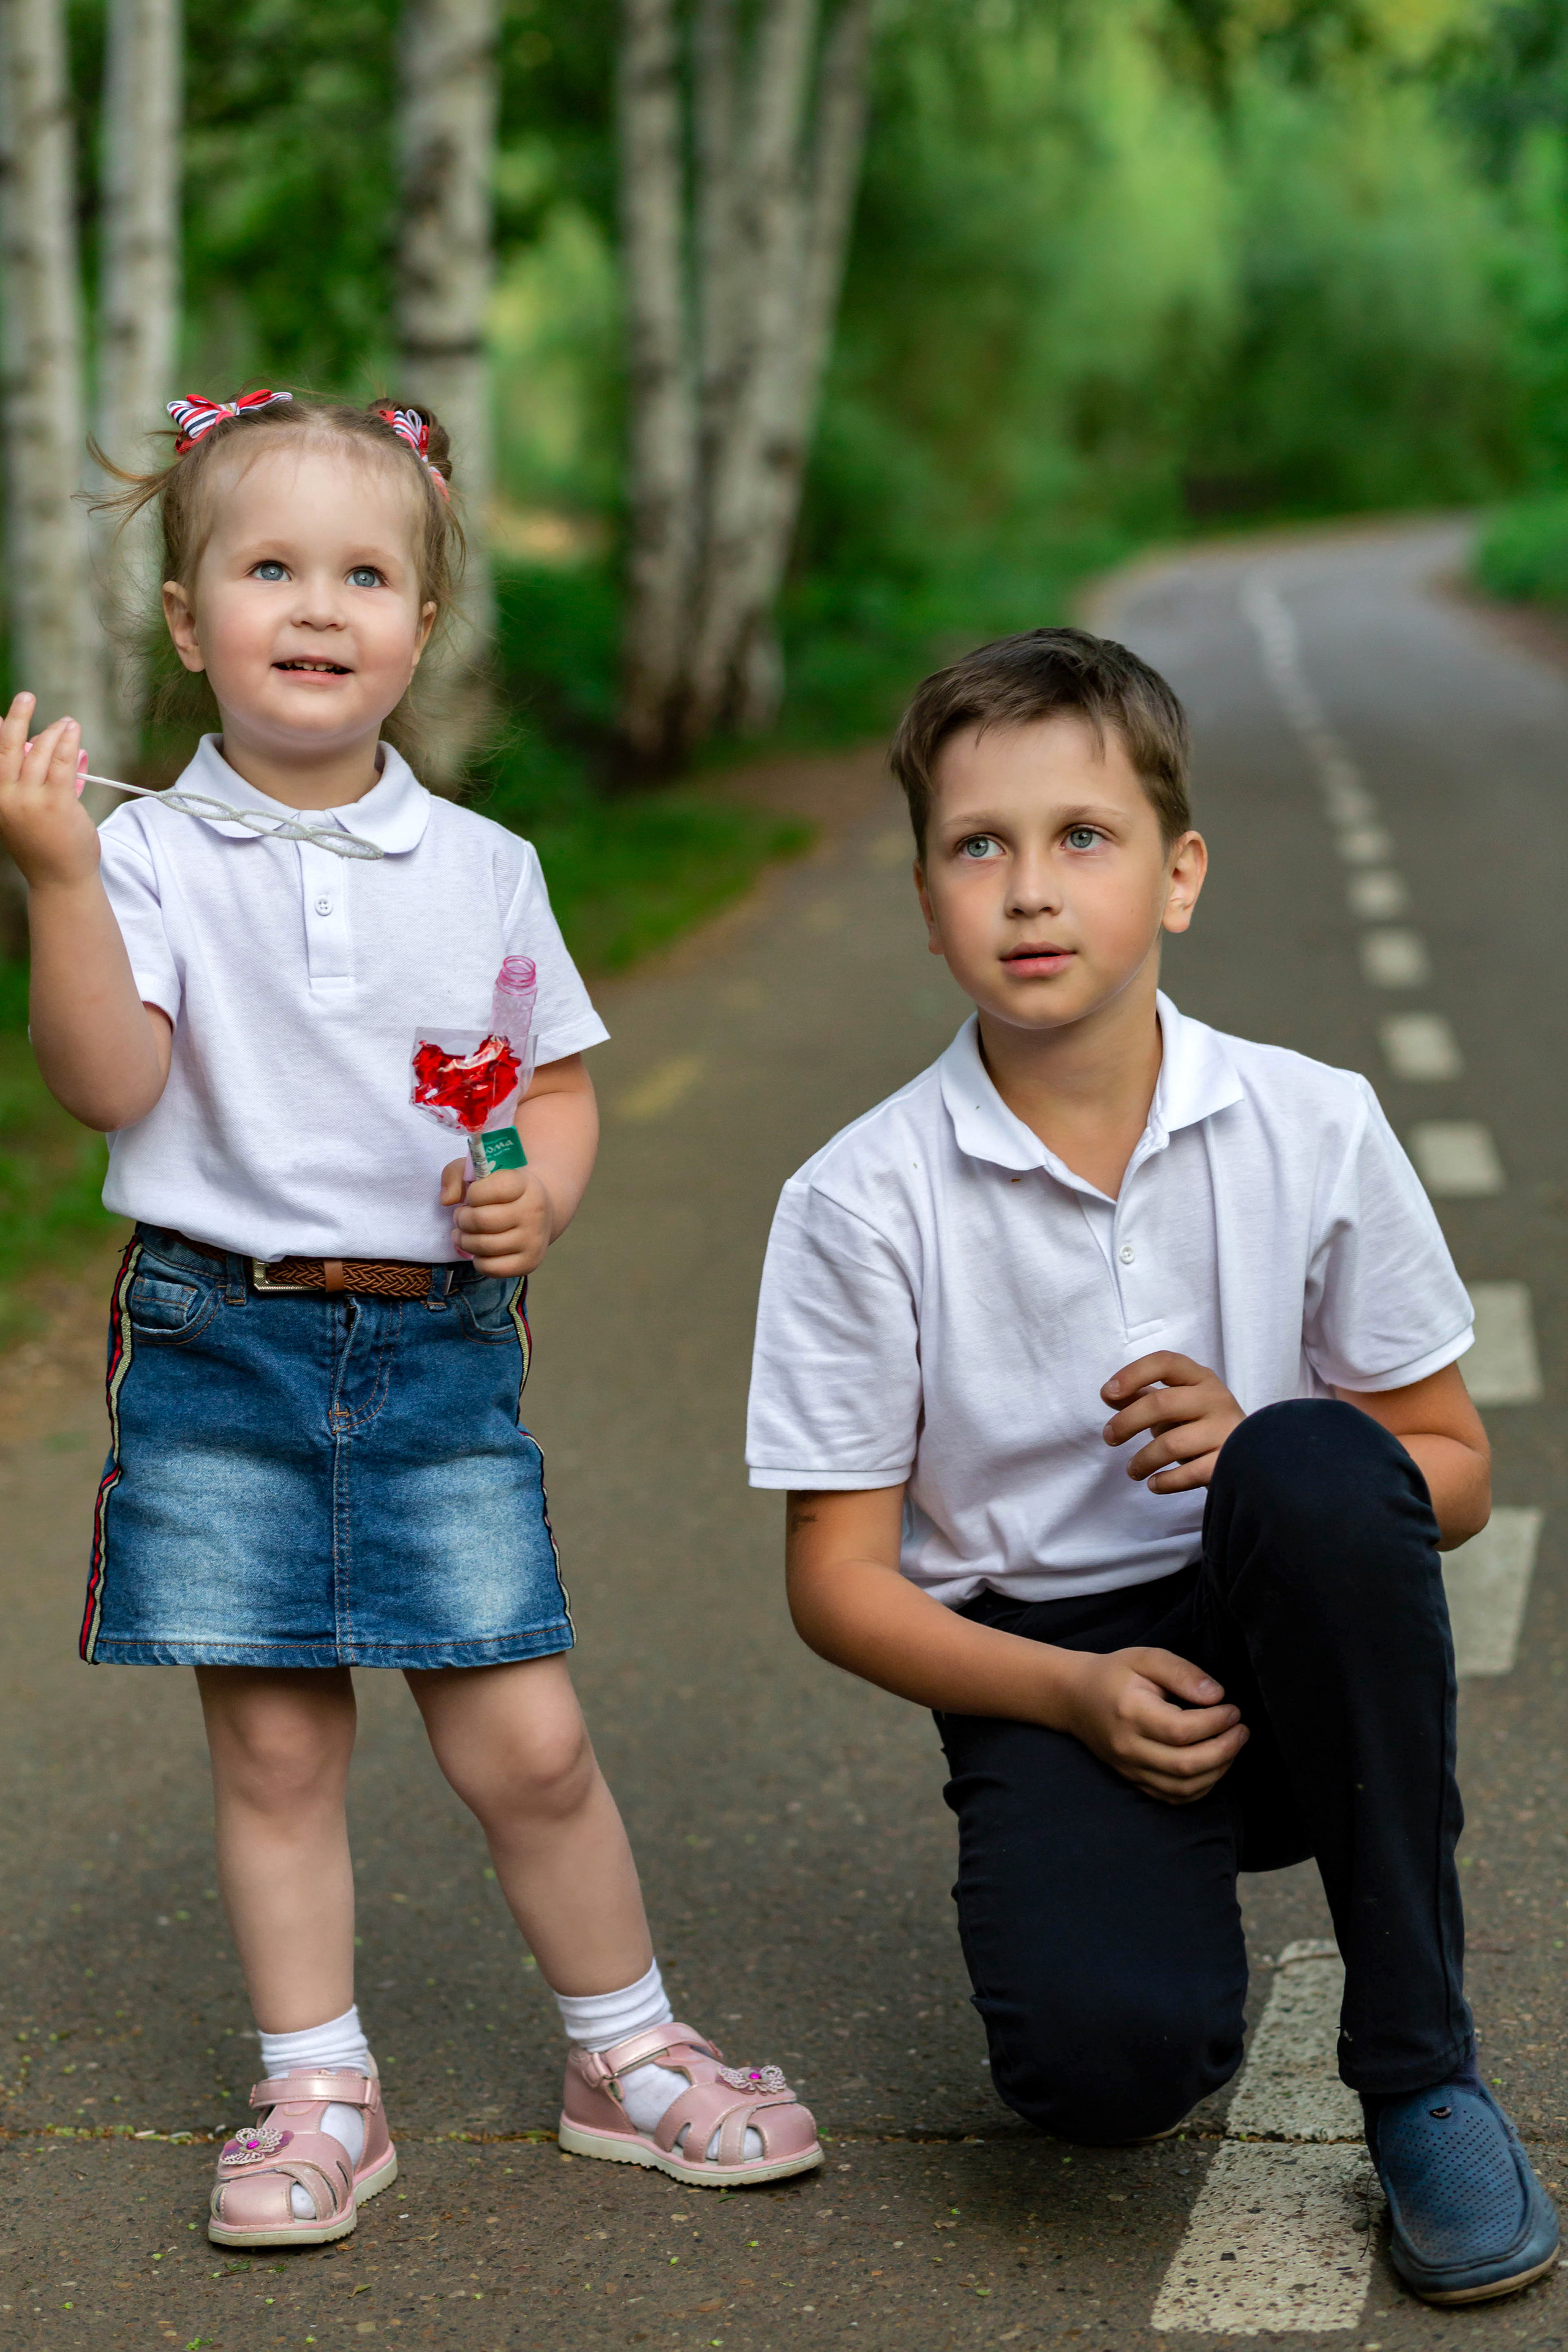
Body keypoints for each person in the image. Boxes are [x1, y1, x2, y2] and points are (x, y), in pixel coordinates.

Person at [0, 390, 820, 2248]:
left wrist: (546, 1187)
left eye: (363, 573)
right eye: (266, 566)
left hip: (438, 1345)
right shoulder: (145, 855)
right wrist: (54, 880)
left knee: (523, 1736)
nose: (315, 604)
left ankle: (623, 2051)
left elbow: (561, 1082)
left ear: (423, 628)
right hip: (220, 1339)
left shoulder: (486, 871)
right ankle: (319, 2088)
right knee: (278, 1746)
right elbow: (105, 1082)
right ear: (186, 618)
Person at [745, 626, 1559, 2308]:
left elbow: (1452, 1473)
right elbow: (834, 1579)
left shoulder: (1311, 1123)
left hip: (1295, 1614)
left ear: (1179, 876)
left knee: (1327, 1468)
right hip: (1050, 1664)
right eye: (979, 846)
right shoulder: (859, 1198)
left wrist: (1265, 1432)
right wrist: (1070, 1699)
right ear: (924, 896)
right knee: (1102, 2081)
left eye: (1082, 838)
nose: (1030, 890)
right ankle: (1146, 1897)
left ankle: (1422, 2076)